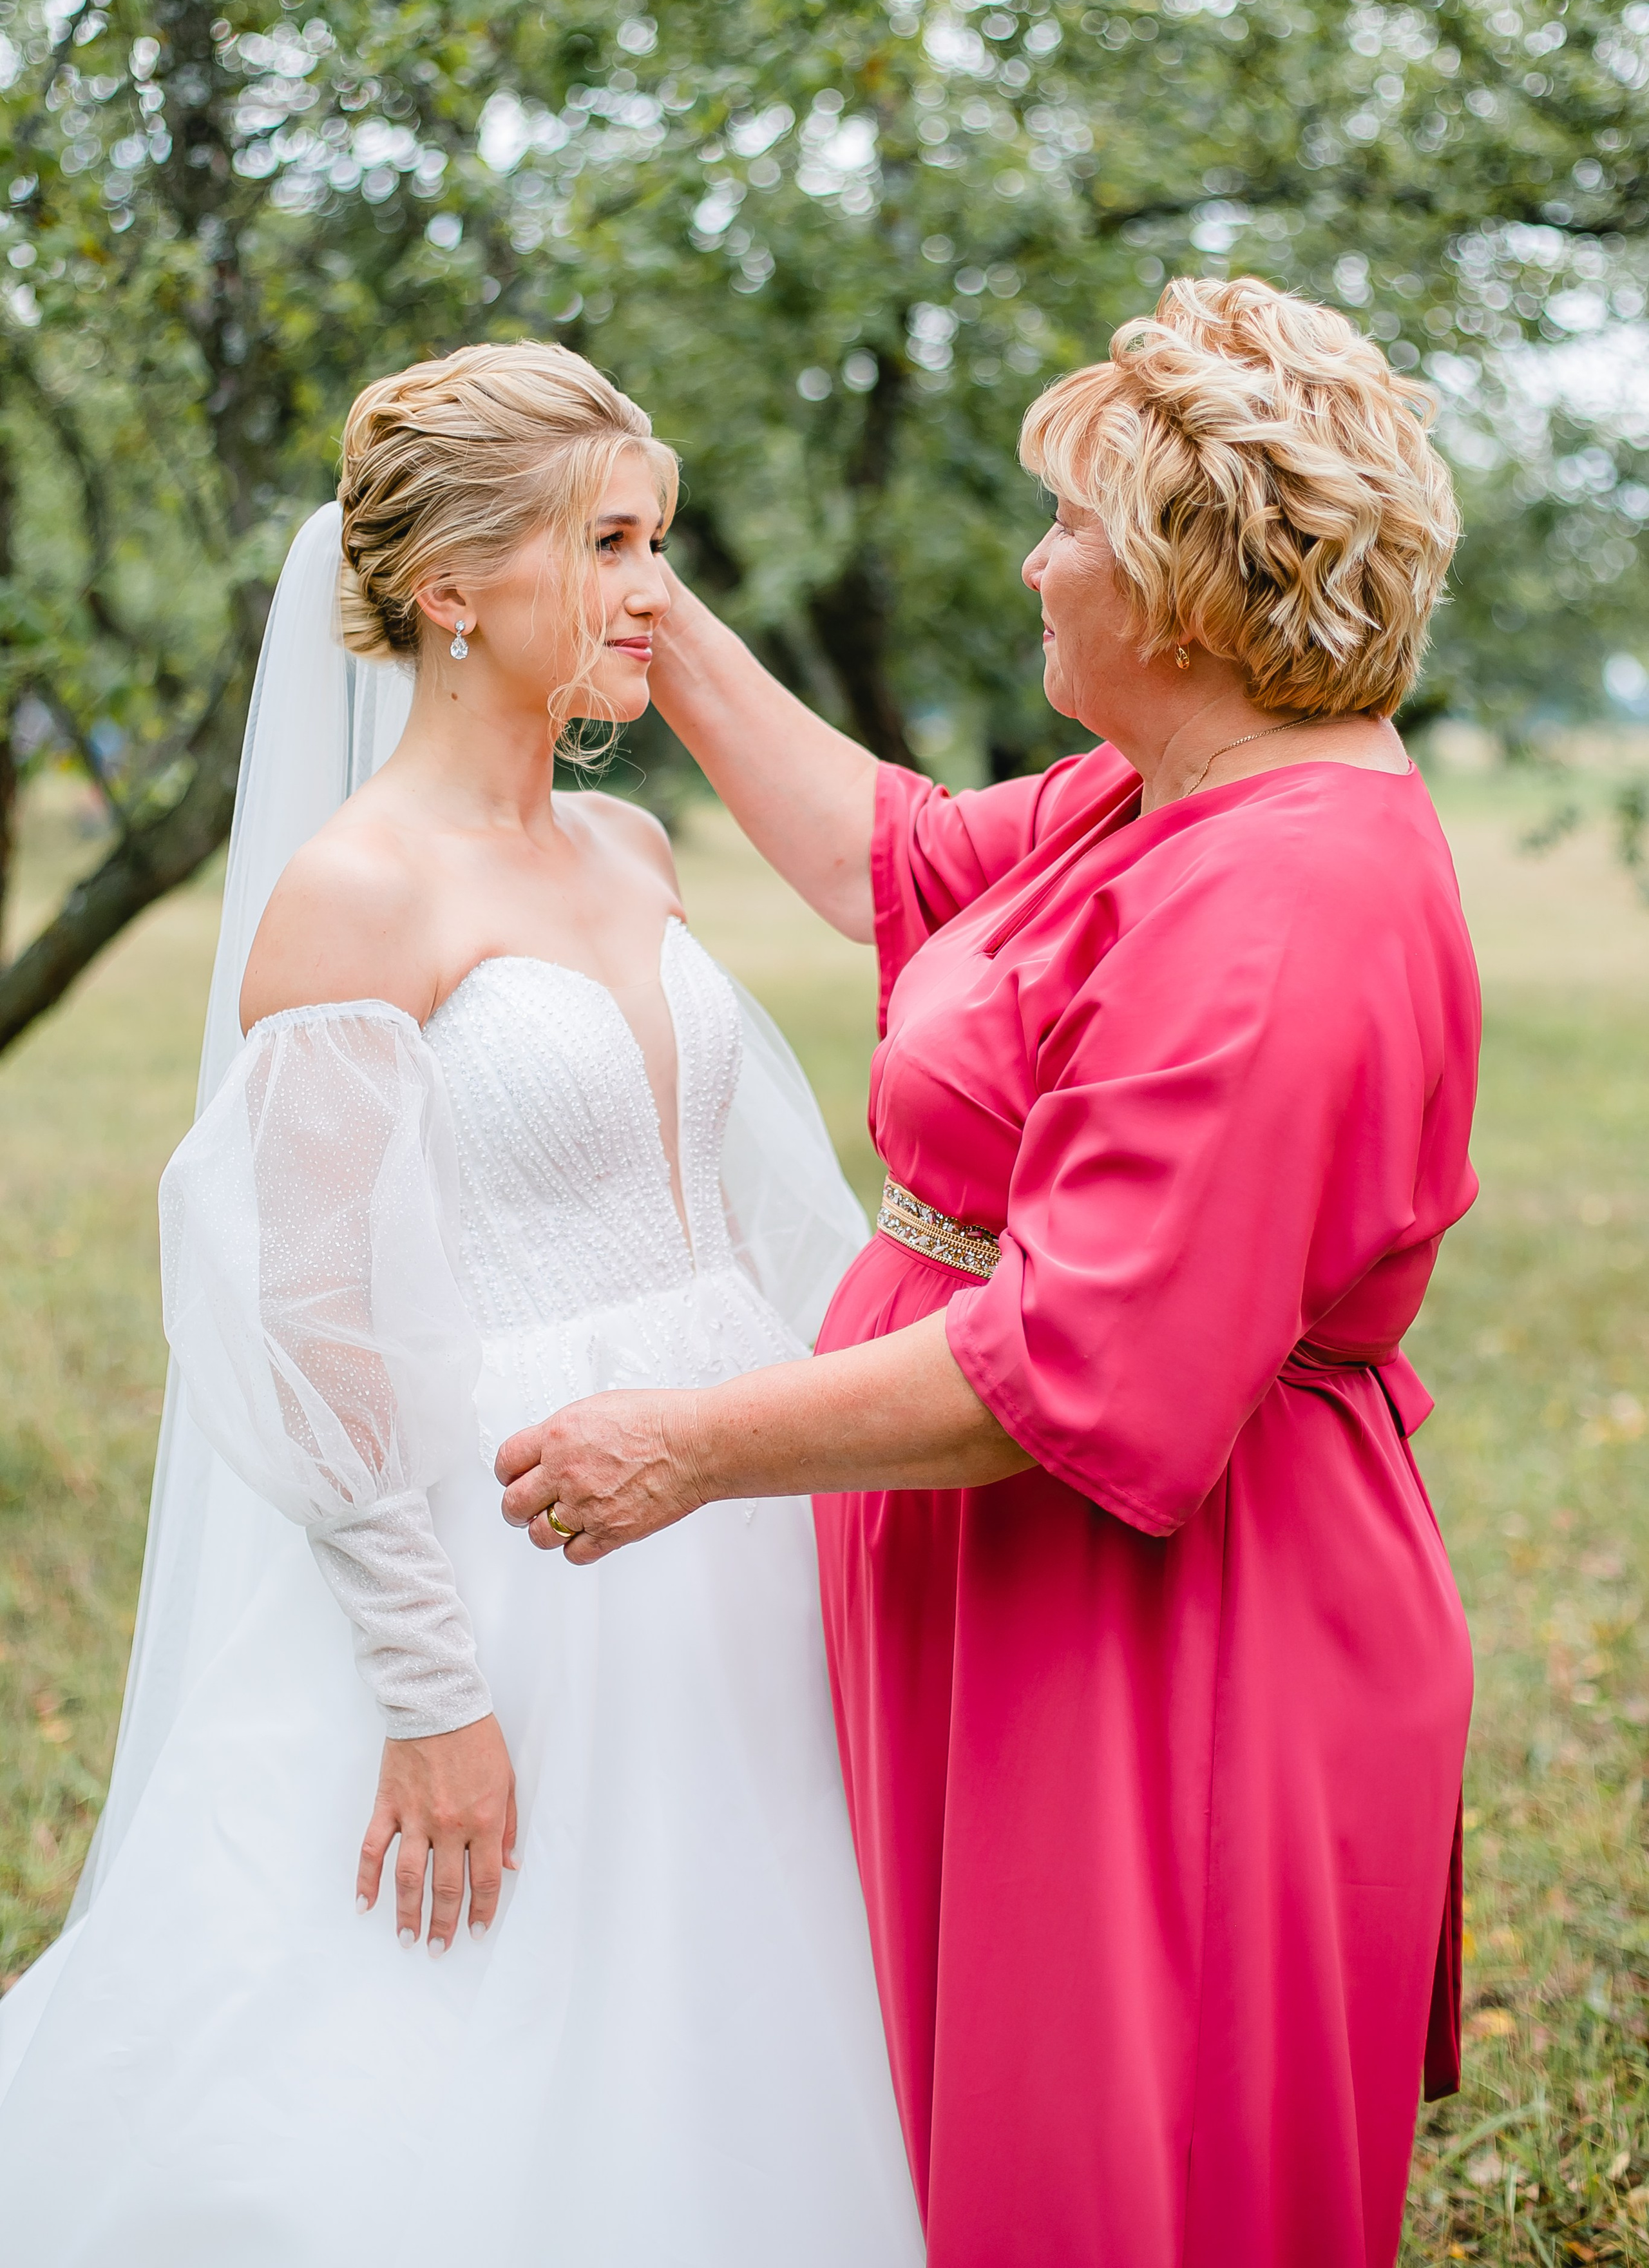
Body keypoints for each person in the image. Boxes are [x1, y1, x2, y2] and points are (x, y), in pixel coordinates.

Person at [498, 279, 1481, 2268]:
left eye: (1074, 531)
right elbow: (917, 858)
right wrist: (652, 616)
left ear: (1193, 584)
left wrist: (682, 1446)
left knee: (1120, 2176)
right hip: (1035, 1611)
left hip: (1171, 1640)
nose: (1038, 566)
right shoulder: (1172, 788)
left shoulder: (1281, 896)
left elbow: (1078, 1366)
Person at [0, 343, 922, 2268]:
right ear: (448, 590)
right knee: (477, 2018)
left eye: (657, 538)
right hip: (512, 1546)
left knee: (751, 1978)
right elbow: (308, 1332)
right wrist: (431, 1694)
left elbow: (753, 1217)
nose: (655, 591)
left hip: (727, 1502)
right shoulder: (355, 896)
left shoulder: (631, 845)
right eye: (606, 541)